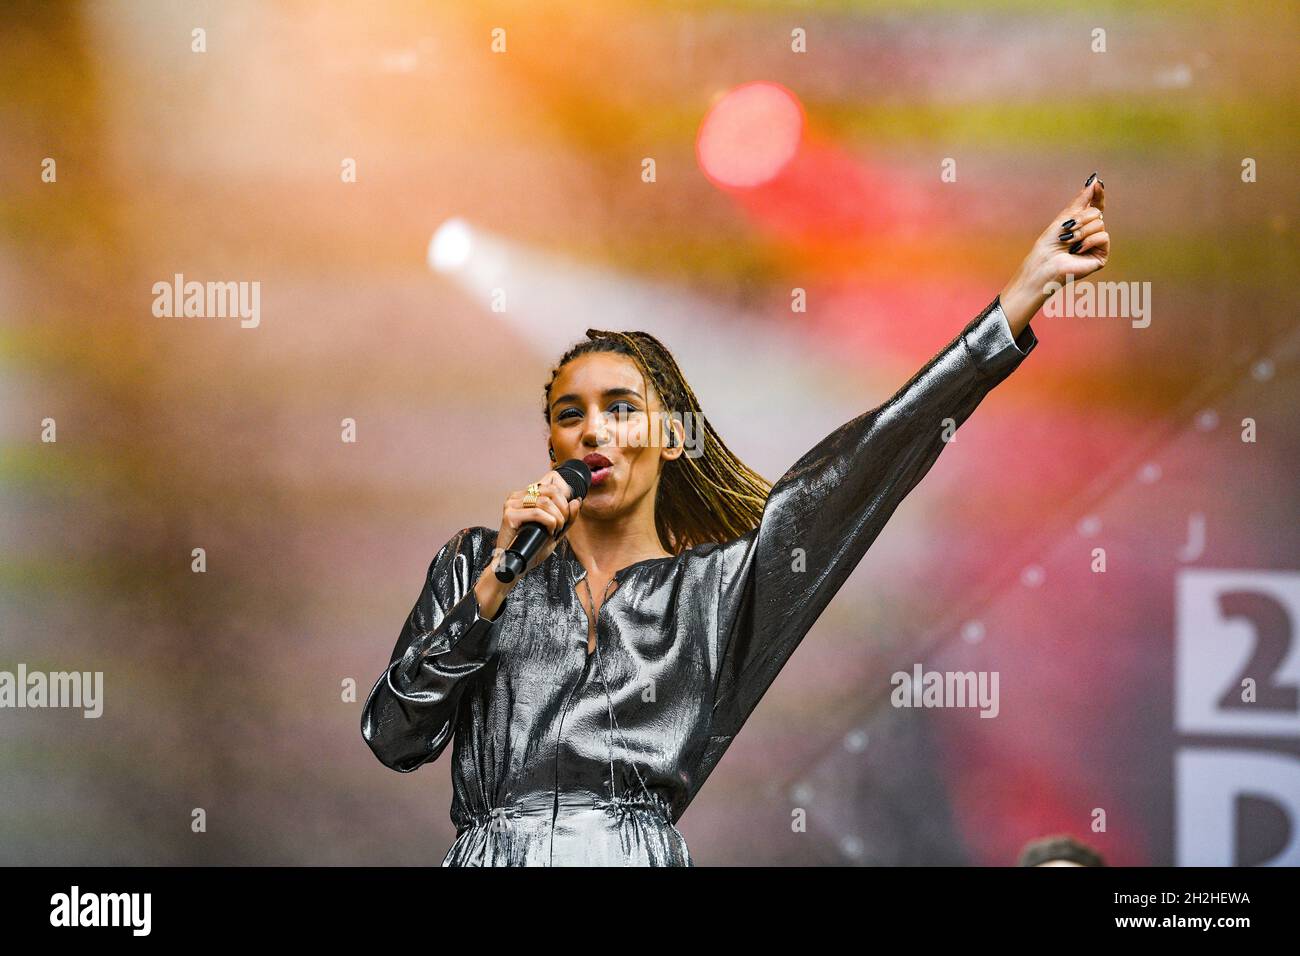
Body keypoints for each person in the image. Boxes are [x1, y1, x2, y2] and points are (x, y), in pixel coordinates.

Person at [361, 175, 1110, 866]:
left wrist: (1016, 303)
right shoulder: (478, 562)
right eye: (569, 415)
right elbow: (394, 738)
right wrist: (496, 584)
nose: (592, 431)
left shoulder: (716, 593)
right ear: (552, 443)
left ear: (674, 437)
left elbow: (865, 466)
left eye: (621, 409)